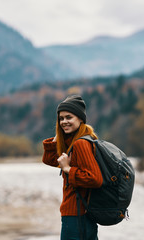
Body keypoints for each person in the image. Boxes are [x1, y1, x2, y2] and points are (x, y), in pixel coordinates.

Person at [42, 95, 103, 240]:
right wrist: (57, 137)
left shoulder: (81, 144)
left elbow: (95, 179)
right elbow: (50, 160)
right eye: (61, 118)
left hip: (76, 215)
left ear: (80, 119)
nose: (64, 122)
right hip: (82, 214)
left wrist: (68, 169)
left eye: (69, 117)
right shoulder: (76, 142)